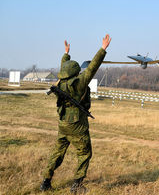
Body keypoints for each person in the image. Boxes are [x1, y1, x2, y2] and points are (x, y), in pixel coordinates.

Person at [40, 34, 112, 193]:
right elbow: (93, 67)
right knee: (85, 153)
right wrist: (103, 49)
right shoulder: (79, 83)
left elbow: (63, 68)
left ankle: (45, 181)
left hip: (63, 123)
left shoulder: (60, 83)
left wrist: (66, 54)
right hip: (77, 125)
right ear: (75, 72)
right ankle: (77, 184)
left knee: (57, 153)